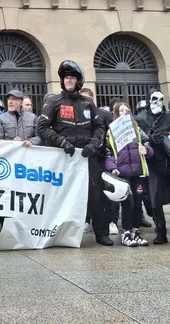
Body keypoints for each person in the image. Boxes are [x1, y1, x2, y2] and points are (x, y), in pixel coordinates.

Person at [37, 61, 109, 245]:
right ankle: (54, 232)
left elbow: (100, 126)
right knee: (60, 195)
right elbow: (42, 127)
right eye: (66, 78)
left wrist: (93, 144)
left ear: (78, 81)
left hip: (86, 156)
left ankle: (102, 233)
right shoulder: (53, 101)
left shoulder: (88, 103)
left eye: (72, 77)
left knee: (96, 195)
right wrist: (61, 142)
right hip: (63, 157)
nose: (69, 80)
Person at [135, 88, 170, 245]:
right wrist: (150, 139)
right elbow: (137, 138)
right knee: (155, 200)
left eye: (160, 99)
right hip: (153, 164)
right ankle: (161, 232)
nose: (157, 103)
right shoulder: (140, 118)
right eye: (154, 99)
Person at [105, 102, 153, 246]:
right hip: (122, 173)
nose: (125, 113)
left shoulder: (137, 130)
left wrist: (148, 151)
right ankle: (126, 232)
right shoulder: (111, 132)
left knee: (138, 203)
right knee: (128, 203)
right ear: (116, 113)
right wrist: (112, 167)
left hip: (138, 172)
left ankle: (136, 231)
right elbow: (107, 153)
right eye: (121, 111)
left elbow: (148, 146)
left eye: (127, 110)